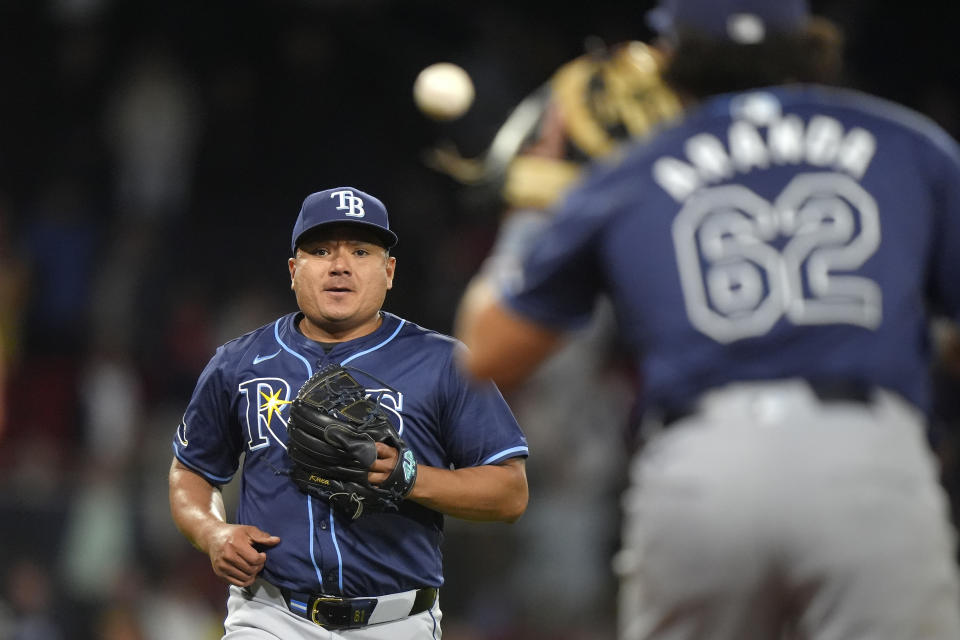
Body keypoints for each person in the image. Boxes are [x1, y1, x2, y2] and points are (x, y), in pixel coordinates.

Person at [458, 1, 960, 638]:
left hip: (704, 470)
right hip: (868, 461)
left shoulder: (630, 173)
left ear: (671, 56)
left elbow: (486, 352)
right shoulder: (910, 144)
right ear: (812, 45)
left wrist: (536, 199)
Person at [168, 186, 529, 639]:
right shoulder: (237, 363)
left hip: (397, 622)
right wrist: (212, 533)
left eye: (361, 251)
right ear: (294, 271)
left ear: (389, 271)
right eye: (321, 251)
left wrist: (411, 477)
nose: (340, 266)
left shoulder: (443, 364)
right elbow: (191, 470)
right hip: (271, 616)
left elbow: (510, 492)